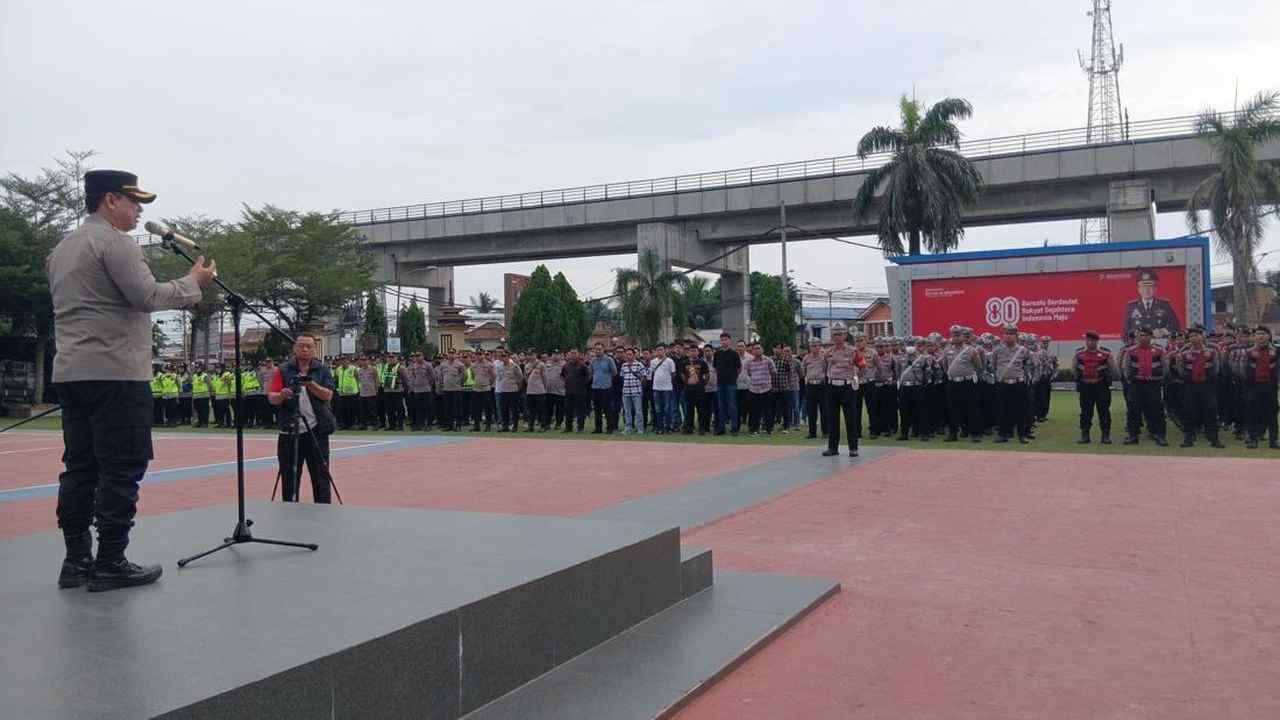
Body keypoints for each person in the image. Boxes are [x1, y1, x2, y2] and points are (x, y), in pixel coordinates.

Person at [47, 169, 216, 591]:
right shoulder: (114, 243)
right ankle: (110, 562)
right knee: (121, 466)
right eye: (133, 201)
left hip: (72, 371)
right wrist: (193, 282)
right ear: (110, 201)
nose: (140, 210)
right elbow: (147, 297)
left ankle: (76, 561)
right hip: (117, 372)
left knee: (80, 467)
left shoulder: (61, 250)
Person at [266, 335, 336, 503]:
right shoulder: (283, 370)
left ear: (314, 349)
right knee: (289, 477)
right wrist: (282, 394)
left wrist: (310, 384)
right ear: (295, 349)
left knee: (321, 476)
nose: (305, 349)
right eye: (301, 346)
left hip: (317, 431)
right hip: (290, 431)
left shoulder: (322, 369)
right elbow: (271, 397)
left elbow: (328, 395)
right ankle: (289, 511)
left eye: (309, 347)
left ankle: (323, 512)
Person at [1173, 325, 1224, 448]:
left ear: (1202, 337)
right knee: (1189, 412)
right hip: (1190, 386)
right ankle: (1188, 438)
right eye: (1191, 336)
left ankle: (1214, 439)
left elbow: (1216, 368)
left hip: (1207, 386)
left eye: (1196, 335)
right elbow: (1181, 370)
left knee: (1210, 412)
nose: (1193, 338)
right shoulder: (1184, 353)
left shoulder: (1211, 351)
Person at [1121, 326, 1169, 446]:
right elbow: (1125, 368)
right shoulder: (1130, 351)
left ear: (1151, 337)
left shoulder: (1159, 350)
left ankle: (1159, 435)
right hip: (1136, 384)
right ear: (1137, 337)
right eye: (1141, 335)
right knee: (1133, 410)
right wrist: (1130, 380)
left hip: (1153, 384)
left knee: (1156, 410)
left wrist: (1159, 379)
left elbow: (1165, 367)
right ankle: (1133, 435)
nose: (1143, 338)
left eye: (1146, 335)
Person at [822, 328, 864, 456]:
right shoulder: (828, 352)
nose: (837, 337)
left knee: (851, 418)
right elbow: (824, 367)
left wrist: (856, 375)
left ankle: (853, 448)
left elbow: (862, 365)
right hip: (832, 386)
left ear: (845, 336)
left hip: (847, 387)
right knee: (832, 419)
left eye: (840, 334)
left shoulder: (853, 351)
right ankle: (833, 448)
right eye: (835, 334)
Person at [1073, 330, 1115, 444]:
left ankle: (1105, 435)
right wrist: (1079, 382)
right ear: (1085, 340)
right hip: (1086, 386)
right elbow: (1075, 370)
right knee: (1085, 412)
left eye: (1093, 340)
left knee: (1104, 411)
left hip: (1101, 386)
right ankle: (1085, 435)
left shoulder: (1106, 354)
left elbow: (1112, 370)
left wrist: (1108, 382)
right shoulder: (1079, 354)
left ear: (1097, 341)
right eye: (1088, 340)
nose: (1090, 342)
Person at [1239, 326, 1279, 449]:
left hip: (1270, 386)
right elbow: (1242, 368)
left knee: (1271, 413)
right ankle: (1252, 439)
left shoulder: (1277, 351)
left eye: (1263, 334)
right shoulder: (1248, 351)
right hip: (1253, 386)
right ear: (1254, 337)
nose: (1260, 336)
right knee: (1252, 412)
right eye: (1258, 334)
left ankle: (1274, 440)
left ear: (1269, 336)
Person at [991, 324, 1032, 444]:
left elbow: (1028, 365)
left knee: (1021, 410)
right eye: (1006, 333)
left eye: (1011, 334)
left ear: (1016, 336)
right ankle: (1003, 434)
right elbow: (994, 366)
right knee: (1003, 409)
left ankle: (1022, 435)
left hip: (1018, 384)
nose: (1008, 336)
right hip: (1003, 384)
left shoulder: (1023, 350)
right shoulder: (998, 350)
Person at [1122, 268, 1182, 339]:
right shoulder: (1131, 307)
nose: (1147, 290)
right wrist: (1137, 334)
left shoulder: (1164, 305)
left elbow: (1176, 326)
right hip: (1138, 345)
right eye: (1144, 287)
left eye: (1150, 287)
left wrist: (1163, 331)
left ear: (1156, 289)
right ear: (1139, 290)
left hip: (1160, 344)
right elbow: (1126, 331)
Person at [743, 342, 776, 436]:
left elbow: (773, 372)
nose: (757, 350)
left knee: (768, 411)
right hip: (754, 390)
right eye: (755, 349)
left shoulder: (768, 360)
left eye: (759, 348)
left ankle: (769, 430)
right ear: (752, 351)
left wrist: (766, 381)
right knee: (754, 412)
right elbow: (748, 374)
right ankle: (754, 430)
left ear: (762, 349)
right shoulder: (748, 362)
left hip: (766, 389)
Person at [712, 332, 742, 436]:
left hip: (731, 383)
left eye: (726, 339)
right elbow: (715, 367)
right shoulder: (717, 353)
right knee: (721, 406)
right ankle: (721, 428)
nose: (724, 341)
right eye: (722, 340)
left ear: (729, 340)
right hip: (720, 383)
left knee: (732, 406)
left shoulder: (734, 353)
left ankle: (734, 428)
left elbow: (739, 369)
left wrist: (733, 377)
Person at [681, 344, 711, 435]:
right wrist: (686, 383)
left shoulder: (702, 362)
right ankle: (688, 428)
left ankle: (701, 428)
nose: (693, 352)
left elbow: (707, 374)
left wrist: (704, 384)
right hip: (688, 390)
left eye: (695, 350)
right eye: (691, 351)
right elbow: (682, 374)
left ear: (698, 352)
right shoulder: (685, 363)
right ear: (688, 352)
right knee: (689, 410)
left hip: (699, 390)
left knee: (701, 410)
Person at [589, 343, 618, 434]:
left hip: (606, 388)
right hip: (595, 387)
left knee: (607, 409)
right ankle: (598, 428)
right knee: (597, 409)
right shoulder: (593, 361)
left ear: (603, 349)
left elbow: (614, 372)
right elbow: (590, 372)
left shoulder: (609, 360)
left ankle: (610, 428)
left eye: (599, 349)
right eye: (596, 349)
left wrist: (607, 380)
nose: (598, 351)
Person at [649, 345, 677, 434]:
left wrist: (667, 381)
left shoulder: (670, 361)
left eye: (661, 350)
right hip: (656, 388)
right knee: (658, 409)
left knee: (667, 409)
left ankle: (668, 427)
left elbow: (673, 374)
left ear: (665, 351)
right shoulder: (653, 361)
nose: (659, 351)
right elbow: (651, 373)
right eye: (658, 350)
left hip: (667, 388)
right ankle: (659, 427)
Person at [619, 348, 648, 434]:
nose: (628, 356)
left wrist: (639, 386)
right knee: (627, 411)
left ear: (634, 355)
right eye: (627, 354)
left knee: (638, 411)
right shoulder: (623, 365)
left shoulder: (639, 365)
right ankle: (628, 428)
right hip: (626, 392)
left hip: (636, 391)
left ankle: (640, 428)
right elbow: (623, 377)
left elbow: (644, 377)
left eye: (630, 354)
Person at [562, 349, 590, 432]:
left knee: (580, 410)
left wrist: (581, 385)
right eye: (572, 353)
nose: (573, 355)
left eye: (575, 353)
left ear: (578, 354)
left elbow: (587, 378)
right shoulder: (566, 365)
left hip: (580, 391)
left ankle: (580, 427)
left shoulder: (583, 365)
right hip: (568, 391)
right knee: (568, 409)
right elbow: (563, 375)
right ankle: (568, 427)